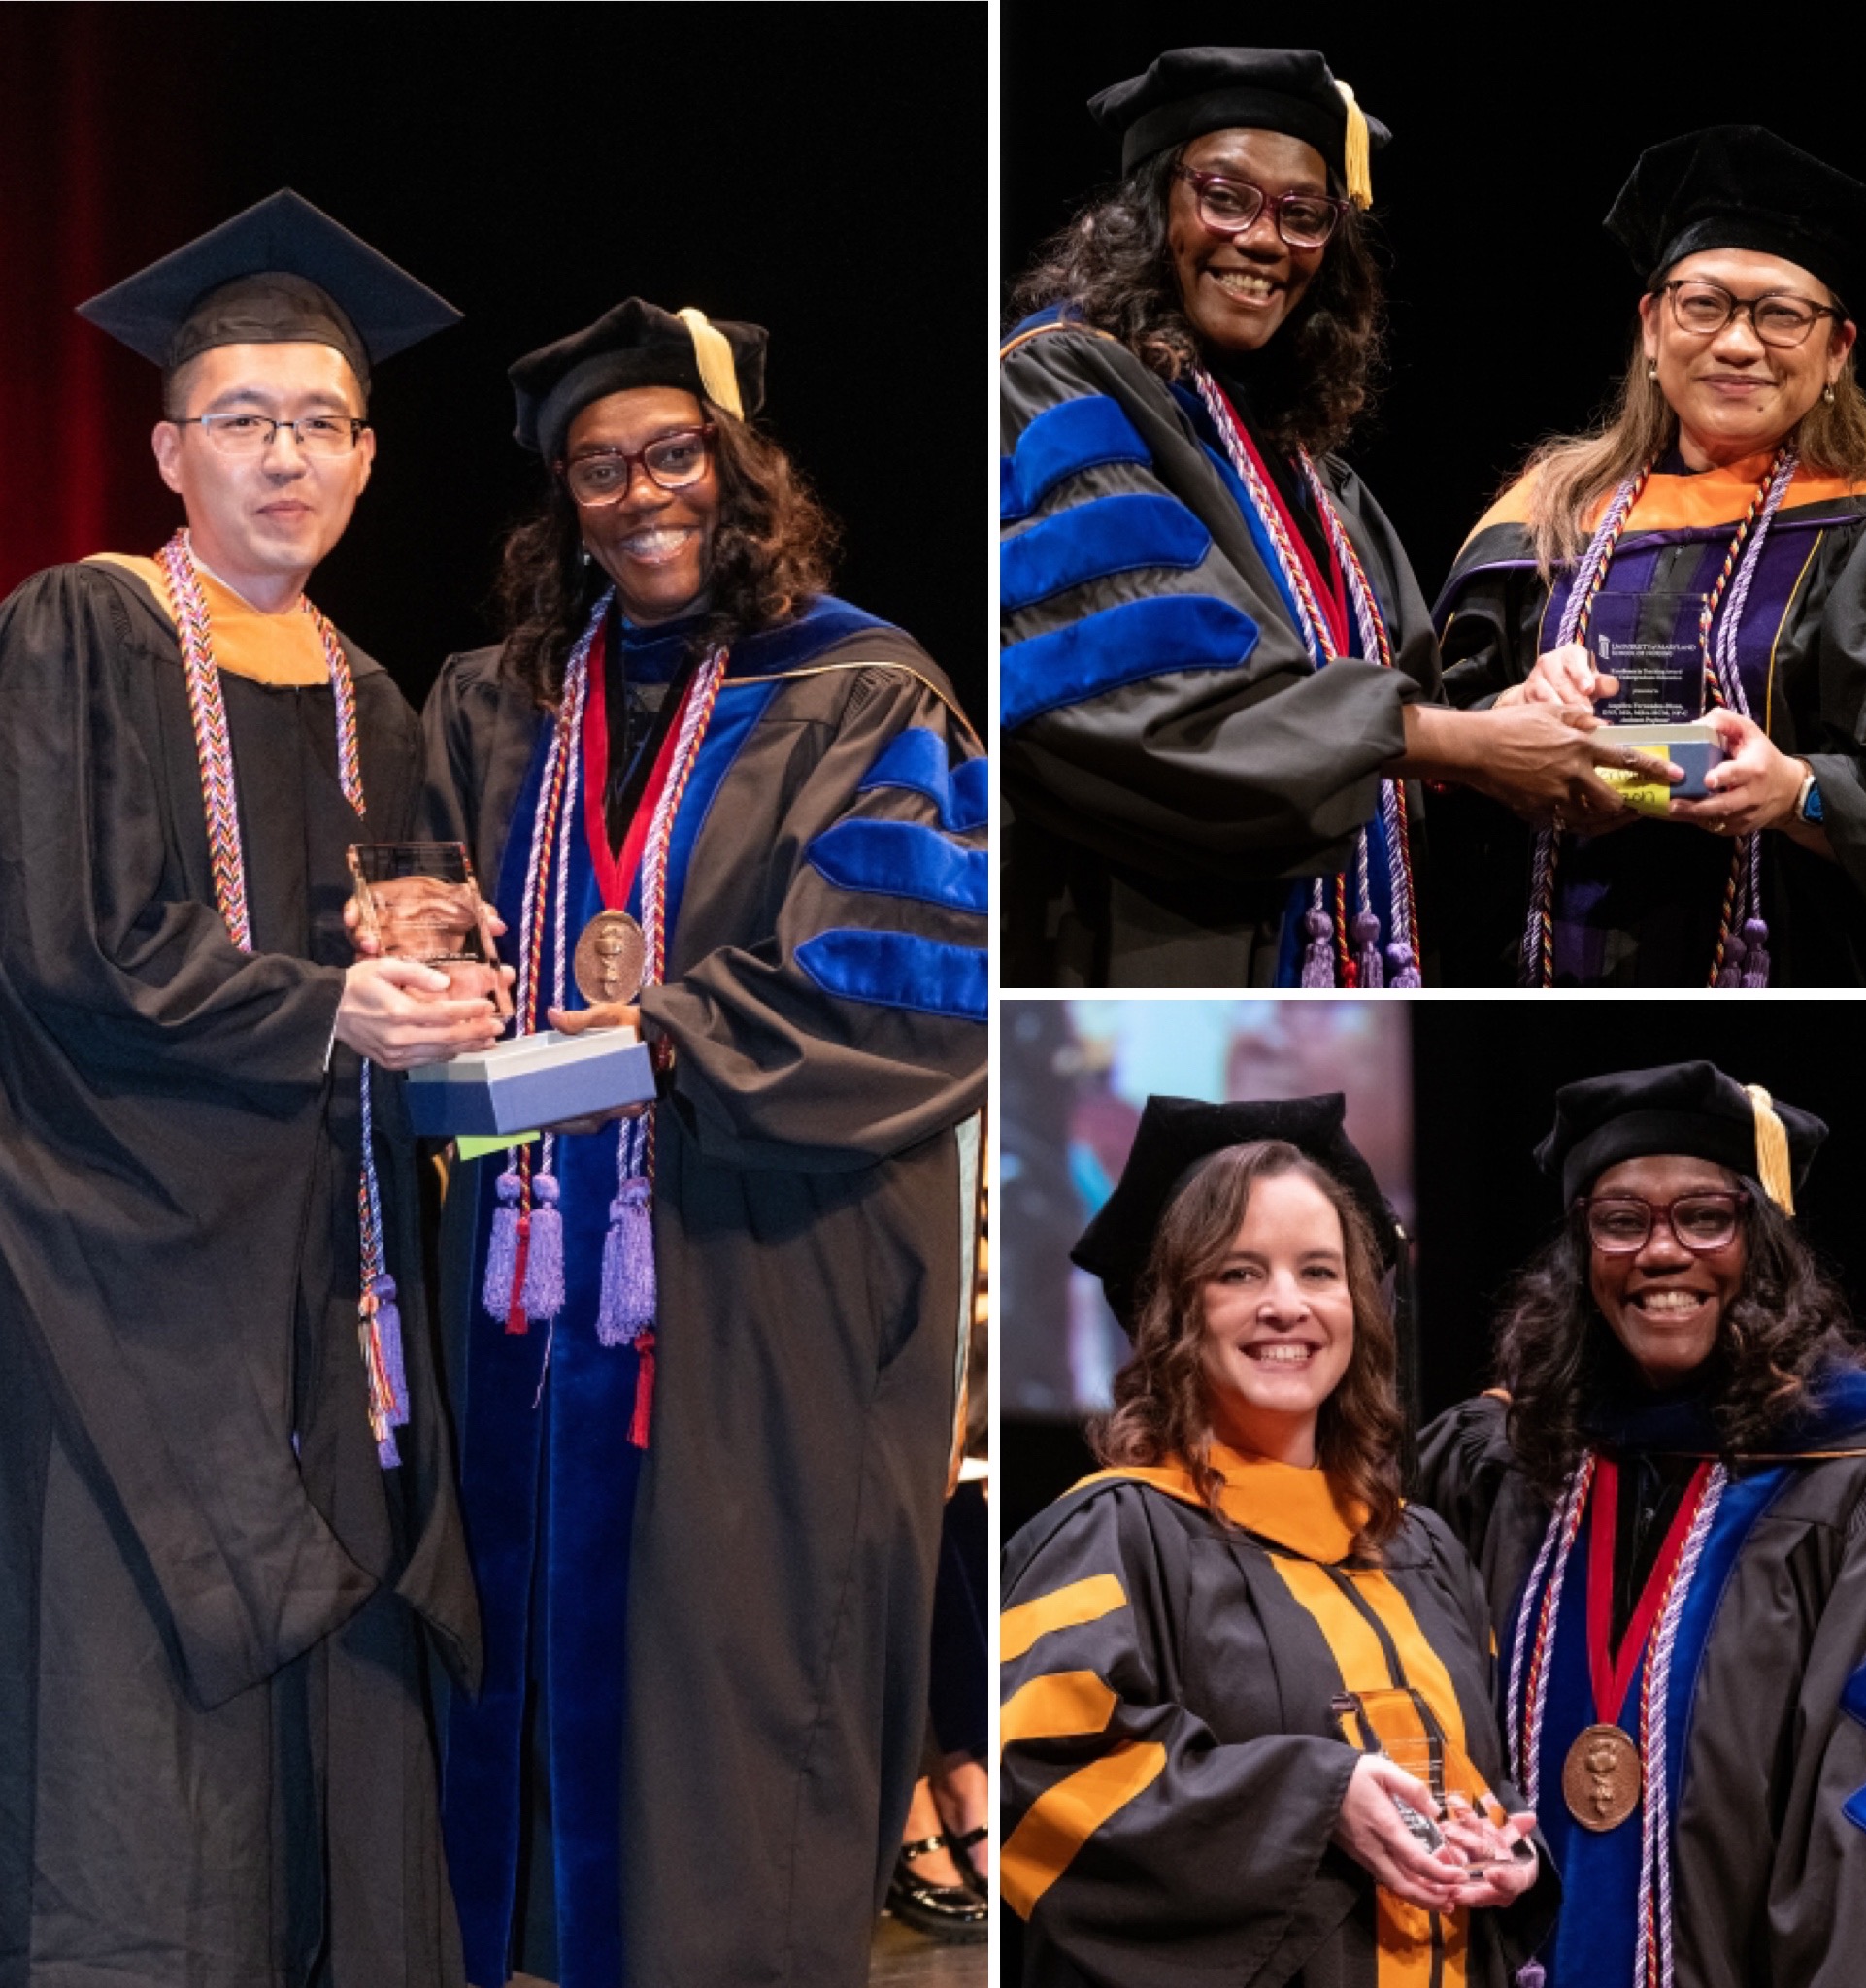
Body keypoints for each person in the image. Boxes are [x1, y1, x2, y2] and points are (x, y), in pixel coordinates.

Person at [418, 298, 987, 1988]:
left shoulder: (867, 687)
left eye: (672, 452)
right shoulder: (492, 699)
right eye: (598, 467)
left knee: (731, 1674)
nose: (639, 492)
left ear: (741, 469)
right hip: (521, 1284)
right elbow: (425, 919)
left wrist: (658, 1032)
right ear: (562, 501)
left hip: (761, 1269)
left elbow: (909, 984)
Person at [0, 190, 490, 1986]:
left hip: (328, 1271)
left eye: (319, 424)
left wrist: (440, 1000)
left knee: (344, 1741)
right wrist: (333, 1011)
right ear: (169, 447)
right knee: (139, 1737)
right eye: (242, 419)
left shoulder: (379, 693)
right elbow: (75, 945)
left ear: (365, 457)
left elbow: (367, 942)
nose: (283, 457)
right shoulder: (84, 631)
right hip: (127, 1269)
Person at [1000, 46, 1663, 988]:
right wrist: (1465, 743)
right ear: (1147, 210)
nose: (1264, 241)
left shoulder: (1306, 475)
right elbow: (1145, 688)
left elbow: (1402, 713)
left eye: (1304, 216)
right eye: (1223, 196)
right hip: (1141, 941)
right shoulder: (1057, 386)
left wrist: (1517, 726)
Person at [1418, 1062, 1866, 1986]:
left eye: (1705, 1216)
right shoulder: (1504, 1462)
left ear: (1763, 1247)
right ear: (1581, 1252)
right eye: (1621, 1221)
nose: (1662, 1253)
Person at [1002, 1095, 1551, 1987]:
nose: (1286, 1306)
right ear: (1174, 1308)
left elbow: (1469, 1767)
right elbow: (1039, 1784)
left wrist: (1495, 1839)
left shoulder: (1422, 1550)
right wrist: (1316, 1801)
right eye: (1239, 1273)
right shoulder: (1116, 1534)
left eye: (1320, 1272)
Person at [1432, 126, 1866, 985]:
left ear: (1838, 350)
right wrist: (1514, 715)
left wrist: (1802, 793)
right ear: (1652, 326)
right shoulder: (1541, 521)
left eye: (1782, 314)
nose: (1737, 344)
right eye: (1704, 304)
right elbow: (1427, 749)